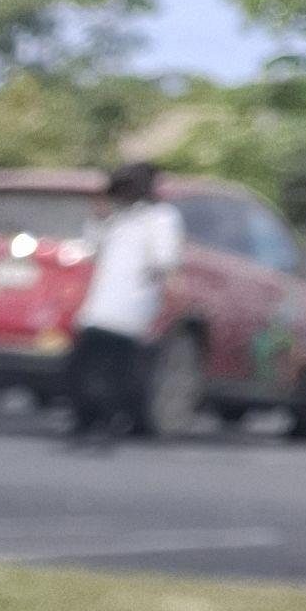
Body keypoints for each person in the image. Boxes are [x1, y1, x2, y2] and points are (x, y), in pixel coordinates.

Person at [65, 161, 184, 446]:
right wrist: (99, 217)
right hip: (98, 307)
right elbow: (92, 246)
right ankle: (87, 420)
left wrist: (169, 297)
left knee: (120, 370)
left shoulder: (160, 218)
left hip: (132, 307)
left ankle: (109, 422)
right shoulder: (116, 218)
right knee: (85, 367)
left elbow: (164, 262)